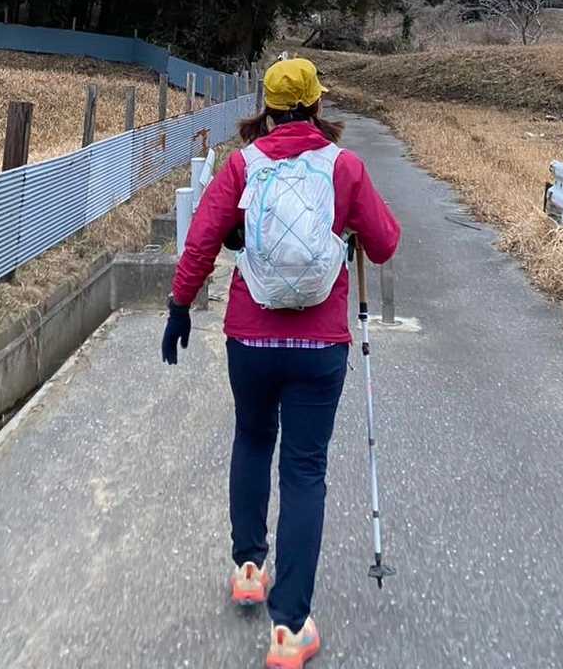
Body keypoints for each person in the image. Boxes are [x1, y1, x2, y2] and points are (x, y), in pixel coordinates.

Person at [161, 57, 400, 669]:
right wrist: (346, 227)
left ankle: (248, 569)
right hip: (320, 347)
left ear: (264, 106)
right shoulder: (343, 166)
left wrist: (180, 305)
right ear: (317, 103)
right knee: (303, 470)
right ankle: (290, 630)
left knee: (251, 439)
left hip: (251, 338)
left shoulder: (245, 164)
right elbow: (385, 243)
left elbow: (203, 238)